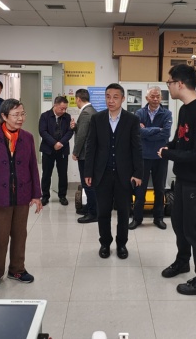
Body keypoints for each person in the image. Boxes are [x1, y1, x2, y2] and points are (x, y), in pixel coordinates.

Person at [158, 64, 196, 296]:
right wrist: (167, 147)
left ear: (180, 84)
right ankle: (182, 262)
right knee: (179, 224)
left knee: (195, 231)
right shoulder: (184, 109)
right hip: (183, 177)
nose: (169, 86)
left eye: (170, 82)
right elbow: (180, 140)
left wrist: (169, 154)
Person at [0, 99, 43, 290]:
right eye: (16, 115)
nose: (20, 118)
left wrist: (36, 195)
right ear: (4, 116)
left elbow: (32, 167)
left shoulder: (27, 137)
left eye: (22, 114)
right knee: (0, 237)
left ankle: (17, 269)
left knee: (20, 235)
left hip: (22, 195)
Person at [84, 84, 143, 260]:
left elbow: (137, 148)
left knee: (124, 212)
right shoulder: (97, 119)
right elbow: (91, 147)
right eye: (108, 96)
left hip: (124, 175)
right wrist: (88, 172)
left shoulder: (131, 120)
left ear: (123, 99)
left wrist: (138, 173)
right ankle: (105, 243)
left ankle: (121, 244)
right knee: (103, 212)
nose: (111, 100)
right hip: (102, 174)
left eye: (115, 97)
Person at [131, 87, 172, 230]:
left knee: (159, 189)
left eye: (158, 96)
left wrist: (146, 131)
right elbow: (137, 132)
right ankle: (137, 218)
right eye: (152, 96)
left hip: (161, 156)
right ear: (147, 98)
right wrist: (156, 129)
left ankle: (158, 218)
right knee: (140, 189)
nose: (155, 99)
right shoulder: (139, 113)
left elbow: (166, 134)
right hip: (143, 157)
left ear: (161, 98)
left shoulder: (167, 113)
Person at [38, 96, 73, 206]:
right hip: (48, 149)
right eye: (62, 108)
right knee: (46, 174)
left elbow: (70, 131)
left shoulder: (67, 117)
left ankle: (62, 196)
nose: (64, 111)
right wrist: (54, 143)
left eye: (65, 108)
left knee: (62, 174)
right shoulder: (45, 116)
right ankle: (45, 196)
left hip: (62, 149)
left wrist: (60, 143)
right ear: (55, 105)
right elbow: (42, 131)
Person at [71, 88, 98, 223]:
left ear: (78, 99)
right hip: (90, 154)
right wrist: (75, 127)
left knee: (87, 183)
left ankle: (93, 213)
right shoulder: (92, 111)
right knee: (89, 183)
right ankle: (90, 207)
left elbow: (82, 136)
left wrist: (75, 152)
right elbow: (85, 131)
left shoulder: (86, 113)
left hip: (86, 155)